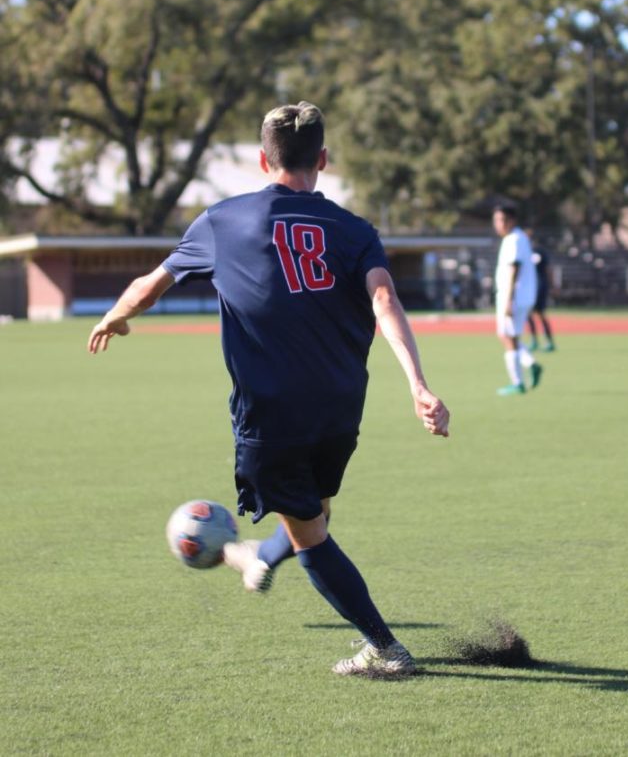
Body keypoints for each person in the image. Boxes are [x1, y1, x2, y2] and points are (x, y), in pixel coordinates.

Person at [88, 101, 449, 678]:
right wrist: (419, 386)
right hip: (339, 404)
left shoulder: (223, 221)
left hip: (272, 410)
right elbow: (385, 302)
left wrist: (115, 315)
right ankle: (259, 557)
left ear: (262, 159)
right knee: (315, 508)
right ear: (323, 160)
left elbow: (149, 285)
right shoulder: (357, 232)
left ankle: (384, 648)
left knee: (311, 533)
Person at [492, 204, 542, 396]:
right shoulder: (515, 238)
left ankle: (518, 382)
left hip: (514, 296)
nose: (498, 224)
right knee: (507, 336)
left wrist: (508, 300)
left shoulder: (514, 239)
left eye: (502, 220)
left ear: (512, 220)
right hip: (518, 296)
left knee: (509, 338)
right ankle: (531, 364)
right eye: (496, 220)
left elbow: (514, 269)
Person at [525, 231, 556, 352]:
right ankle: (534, 340)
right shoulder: (524, 253)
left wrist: (553, 286)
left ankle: (549, 341)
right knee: (528, 314)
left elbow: (549, 269)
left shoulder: (540, 252)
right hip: (528, 287)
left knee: (540, 313)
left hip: (540, 286)